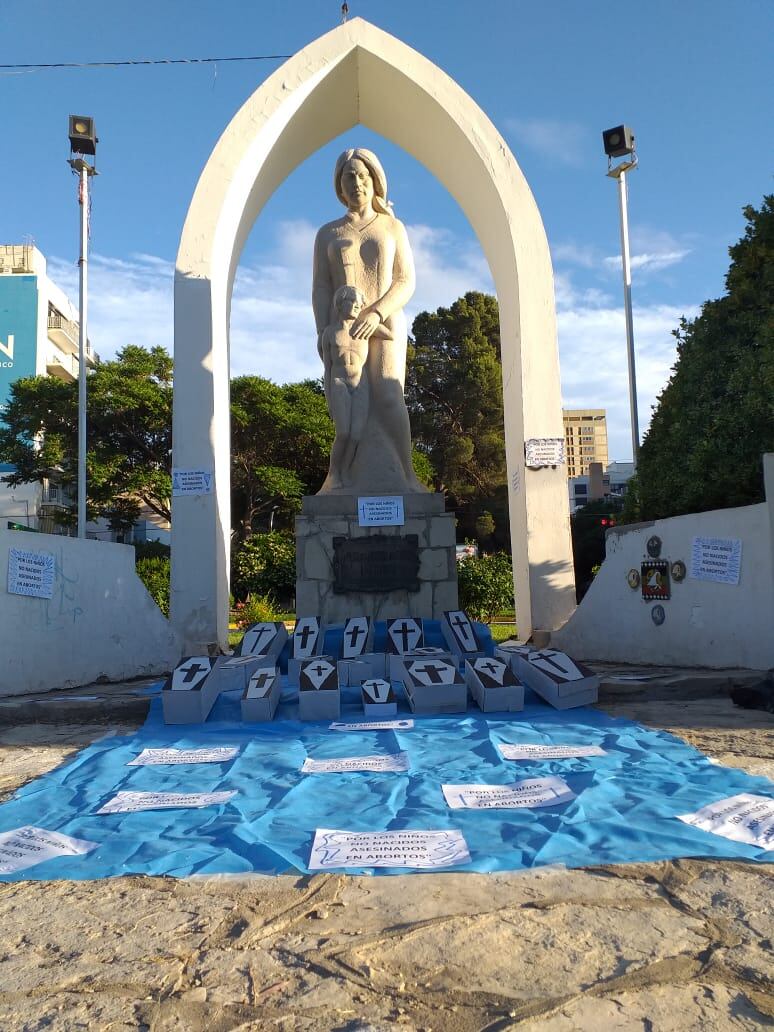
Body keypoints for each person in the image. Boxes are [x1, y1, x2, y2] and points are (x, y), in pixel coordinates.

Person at [312, 147, 425, 493]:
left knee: (389, 394)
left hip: (385, 325)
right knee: (346, 412)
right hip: (344, 332)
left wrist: (377, 312)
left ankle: (407, 476)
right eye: (350, 176)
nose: (357, 182)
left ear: (375, 182)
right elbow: (320, 287)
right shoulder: (328, 233)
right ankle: (339, 477)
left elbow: (405, 280)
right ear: (339, 185)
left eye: (363, 176)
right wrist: (324, 332)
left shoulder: (392, 226)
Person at [320, 285, 383, 489]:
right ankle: (334, 473)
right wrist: (328, 397)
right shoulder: (330, 333)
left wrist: (374, 317)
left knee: (356, 434)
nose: (356, 307)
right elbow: (327, 368)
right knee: (343, 433)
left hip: (361, 383)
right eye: (352, 302)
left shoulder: (363, 327)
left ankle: (346, 471)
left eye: (359, 304)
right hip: (339, 382)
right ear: (340, 303)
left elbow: (390, 335)